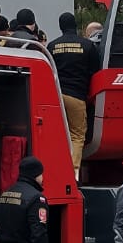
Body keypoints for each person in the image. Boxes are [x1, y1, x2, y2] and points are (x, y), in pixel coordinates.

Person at [47, 13, 99, 175]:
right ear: (75, 25)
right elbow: (95, 71)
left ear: (60, 27)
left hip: (56, 97)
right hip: (76, 96)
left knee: (58, 134)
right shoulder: (87, 45)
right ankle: (72, 174)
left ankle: (55, 169)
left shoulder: (52, 46)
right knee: (77, 136)